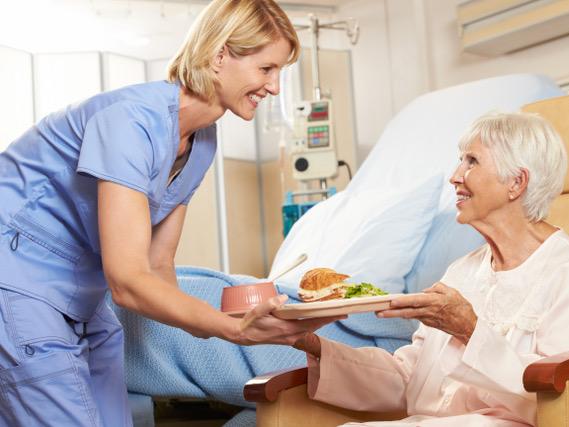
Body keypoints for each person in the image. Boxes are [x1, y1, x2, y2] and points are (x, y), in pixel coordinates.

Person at [0, 1, 338, 425]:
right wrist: (232, 330)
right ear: (219, 57)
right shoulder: (129, 122)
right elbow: (127, 282)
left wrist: (241, 324)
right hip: (17, 283)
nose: (274, 87)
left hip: (81, 295)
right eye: (266, 69)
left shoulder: (203, 140)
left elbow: (157, 267)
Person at [294, 112, 569, 426]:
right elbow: (407, 378)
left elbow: (568, 398)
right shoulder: (461, 272)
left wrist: (470, 329)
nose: (455, 175)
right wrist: (310, 343)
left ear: (516, 182)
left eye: (472, 161)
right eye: (460, 160)